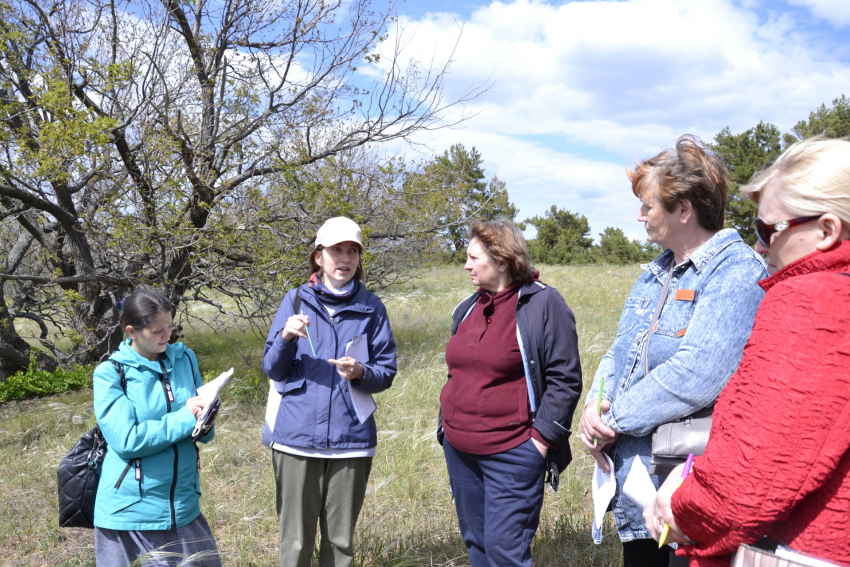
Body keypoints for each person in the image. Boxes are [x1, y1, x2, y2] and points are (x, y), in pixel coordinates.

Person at [644, 137, 850, 567]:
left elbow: (747, 480)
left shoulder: (813, 302)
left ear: (827, 231)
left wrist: (679, 509)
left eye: (767, 231)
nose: (760, 247)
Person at [577, 135, 768, 567]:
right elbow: (619, 352)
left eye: (648, 206)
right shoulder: (655, 273)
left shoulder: (736, 273)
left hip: (686, 486)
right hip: (637, 483)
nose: (639, 215)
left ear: (683, 210)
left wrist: (613, 419)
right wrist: (593, 408)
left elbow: (697, 372)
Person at [437, 219, 582, 567]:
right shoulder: (468, 307)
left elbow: (565, 379)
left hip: (512, 453)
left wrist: (540, 443)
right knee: (477, 545)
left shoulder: (543, 303)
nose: (466, 265)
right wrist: (445, 428)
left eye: (474, 258)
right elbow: (457, 372)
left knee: (506, 552)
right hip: (460, 451)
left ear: (502, 260)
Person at [261, 216, 397, 567]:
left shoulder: (372, 307)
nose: (345, 258)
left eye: (353, 251)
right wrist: (286, 337)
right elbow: (272, 368)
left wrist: (361, 372)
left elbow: (386, 372)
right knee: (295, 543)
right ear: (318, 256)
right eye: (337, 250)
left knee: (340, 544)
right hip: (296, 439)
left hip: (351, 441)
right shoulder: (294, 301)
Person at [92, 289, 220, 567]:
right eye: (157, 330)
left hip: (183, 505)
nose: (167, 335)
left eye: (170, 326)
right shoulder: (110, 373)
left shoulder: (185, 358)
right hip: (131, 513)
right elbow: (127, 440)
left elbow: (200, 427)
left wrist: (206, 422)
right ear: (132, 331)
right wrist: (186, 418)